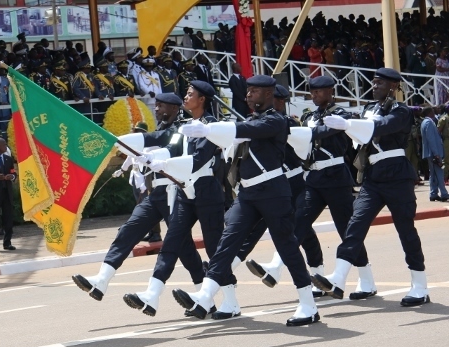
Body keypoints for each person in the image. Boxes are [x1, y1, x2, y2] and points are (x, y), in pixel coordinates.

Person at [172, 75, 320, 327]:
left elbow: (247, 131)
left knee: (286, 246)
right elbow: (235, 135)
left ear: (268, 95)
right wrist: (210, 133)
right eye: (248, 91)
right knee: (227, 242)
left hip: (273, 191)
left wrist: (209, 129)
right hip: (248, 194)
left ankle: (308, 303)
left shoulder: (277, 120)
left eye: (253, 92)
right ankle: (205, 295)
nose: (248, 95)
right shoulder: (251, 119)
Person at [71, 93, 207, 309]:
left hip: (175, 193)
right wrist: (114, 140)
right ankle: (101, 281)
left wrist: (152, 156)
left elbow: (165, 147)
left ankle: (203, 293)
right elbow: (150, 139)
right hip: (157, 195)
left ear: (173, 108)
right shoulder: (165, 129)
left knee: (182, 247)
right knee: (129, 230)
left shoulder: (183, 128)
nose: (157, 109)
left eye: (161, 106)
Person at [248, 76, 375, 299]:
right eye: (312, 93)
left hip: (336, 176)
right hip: (314, 178)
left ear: (330, 92)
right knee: (298, 221)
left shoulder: (341, 116)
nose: (314, 96)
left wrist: (308, 132)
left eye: (319, 92)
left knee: (346, 230)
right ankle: (276, 267)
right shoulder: (309, 116)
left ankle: (367, 280)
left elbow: (326, 132)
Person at [313, 67, 430, 307]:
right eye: (374, 82)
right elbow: (359, 137)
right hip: (373, 176)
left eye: (380, 83)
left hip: (397, 173)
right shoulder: (368, 109)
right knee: (355, 225)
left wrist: (348, 125)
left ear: (393, 87)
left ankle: (419, 285)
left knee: (405, 230)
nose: (374, 86)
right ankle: (340, 276)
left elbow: (382, 127)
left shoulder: (402, 111)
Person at [122, 81, 237, 319]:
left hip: (207, 191)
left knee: (215, 248)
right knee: (172, 241)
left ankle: (230, 302)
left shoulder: (212, 127)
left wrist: (163, 164)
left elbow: (198, 160)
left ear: (202, 99)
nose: (185, 96)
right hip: (186, 192)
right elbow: (165, 142)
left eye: (190, 93)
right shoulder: (185, 125)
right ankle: (151, 295)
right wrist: (124, 144)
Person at [420, 105, 449, 202]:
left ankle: (433, 193)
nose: (434, 112)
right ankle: (444, 194)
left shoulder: (426, 122)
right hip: (433, 153)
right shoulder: (428, 122)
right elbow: (431, 139)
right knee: (439, 174)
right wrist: (436, 154)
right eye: (432, 110)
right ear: (429, 112)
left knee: (433, 174)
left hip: (431, 153)